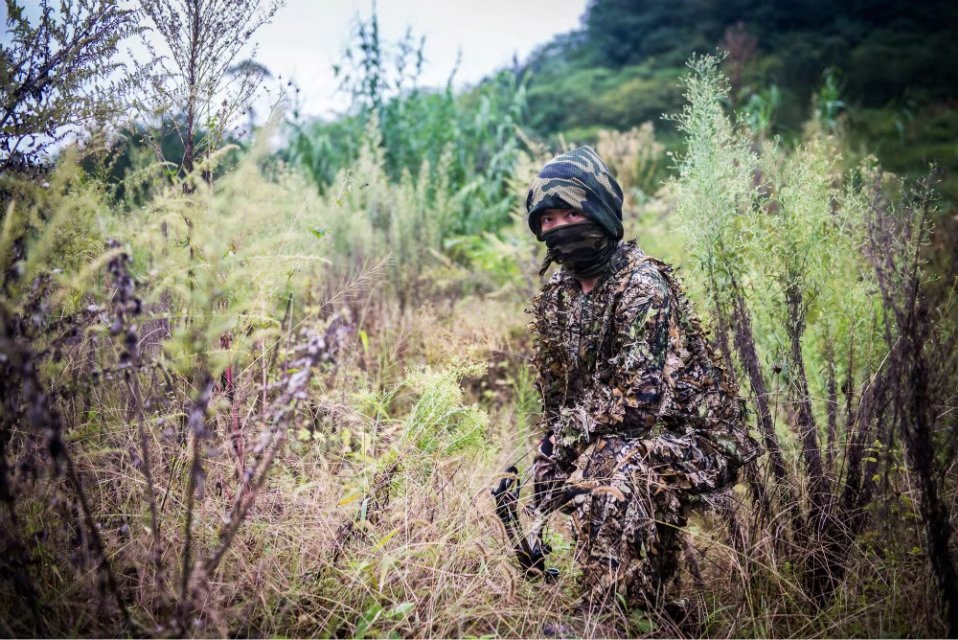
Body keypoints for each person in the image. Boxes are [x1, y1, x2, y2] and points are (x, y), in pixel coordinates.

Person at [523, 146, 759, 615]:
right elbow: (559, 394)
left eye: (571, 214)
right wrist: (551, 455)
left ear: (599, 212)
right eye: (547, 219)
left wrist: (567, 442)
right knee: (588, 464)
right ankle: (652, 613)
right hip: (625, 435)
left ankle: (605, 618)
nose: (559, 228)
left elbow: (640, 400)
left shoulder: (641, 285)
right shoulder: (558, 294)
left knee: (613, 467)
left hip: (698, 438)